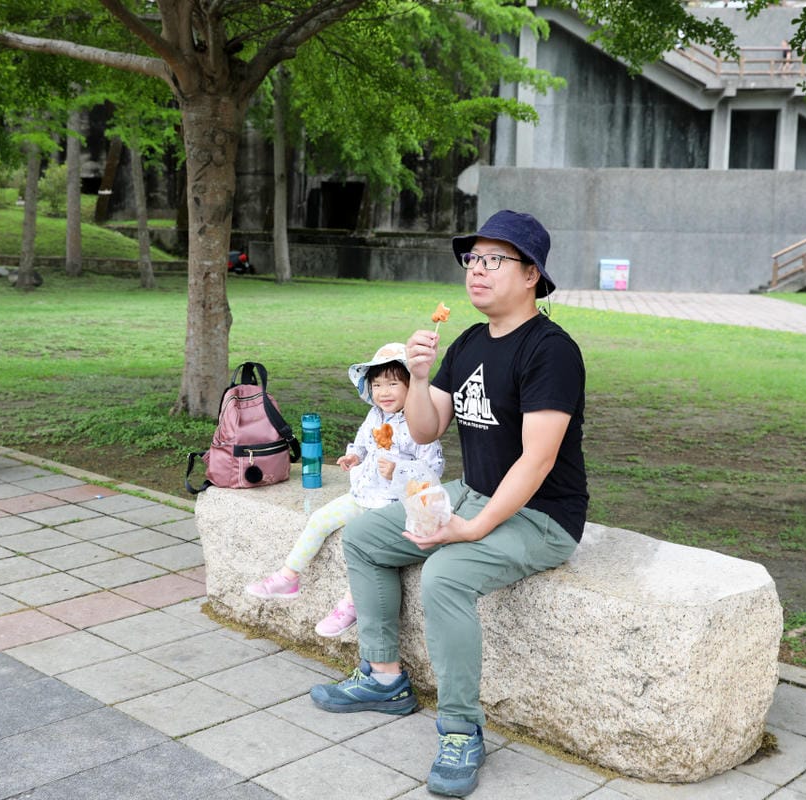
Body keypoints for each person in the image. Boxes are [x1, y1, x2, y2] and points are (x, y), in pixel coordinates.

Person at [309, 210, 588, 797]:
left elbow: (537, 461)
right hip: (474, 490)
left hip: (541, 515)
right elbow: (427, 427)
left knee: (444, 577)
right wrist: (417, 376)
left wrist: (474, 527)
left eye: (495, 260)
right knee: (364, 538)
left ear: (532, 274)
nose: (477, 271)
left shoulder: (551, 351)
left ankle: (461, 729)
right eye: (472, 259)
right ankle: (384, 677)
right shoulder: (469, 342)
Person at [244, 343, 445, 638]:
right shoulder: (375, 416)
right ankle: (288, 576)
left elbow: (434, 470)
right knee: (319, 520)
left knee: (361, 548)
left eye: (393, 384)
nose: (384, 392)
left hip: (392, 507)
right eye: (377, 385)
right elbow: (363, 444)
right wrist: (353, 457)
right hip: (362, 496)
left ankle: (349, 606)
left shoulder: (421, 425)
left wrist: (399, 469)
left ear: (411, 387)